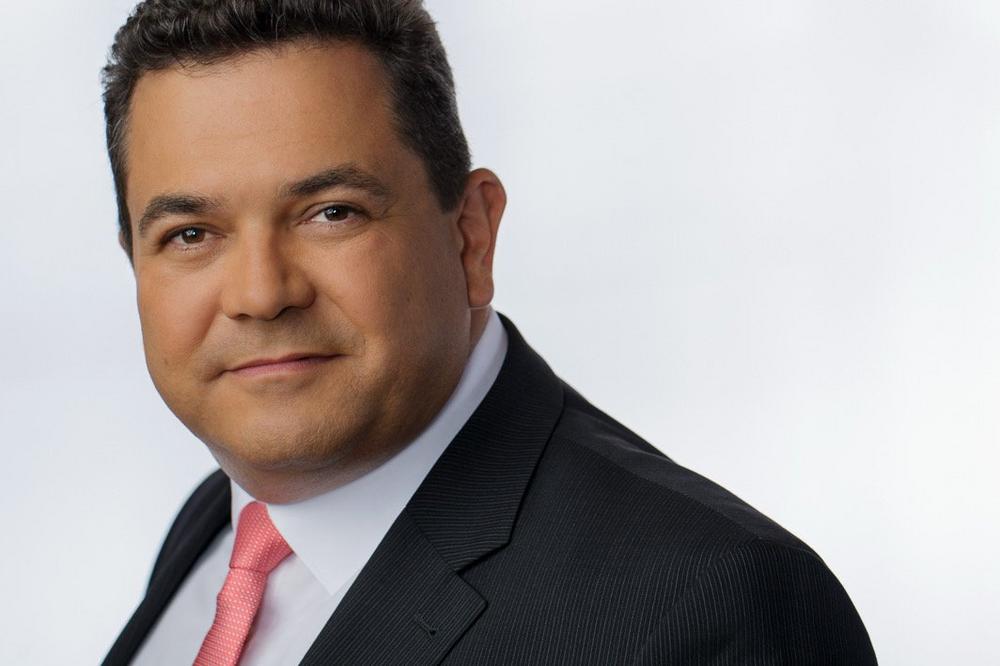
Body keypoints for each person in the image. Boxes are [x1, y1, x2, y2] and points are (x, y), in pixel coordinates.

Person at [100, 1, 877, 664]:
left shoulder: (712, 607)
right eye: (190, 234)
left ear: (471, 236)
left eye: (332, 213)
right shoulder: (220, 527)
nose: (262, 295)